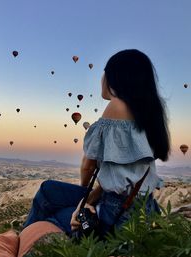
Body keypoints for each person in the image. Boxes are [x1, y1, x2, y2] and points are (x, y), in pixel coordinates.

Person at [23, 49, 170, 239]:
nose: (102, 78)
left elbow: (88, 165)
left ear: (117, 76)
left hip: (116, 215)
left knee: (53, 214)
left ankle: (23, 242)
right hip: (143, 207)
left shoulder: (116, 106)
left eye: (105, 71)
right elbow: (123, 177)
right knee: (48, 188)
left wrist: (84, 196)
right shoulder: (150, 112)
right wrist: (86, 200)